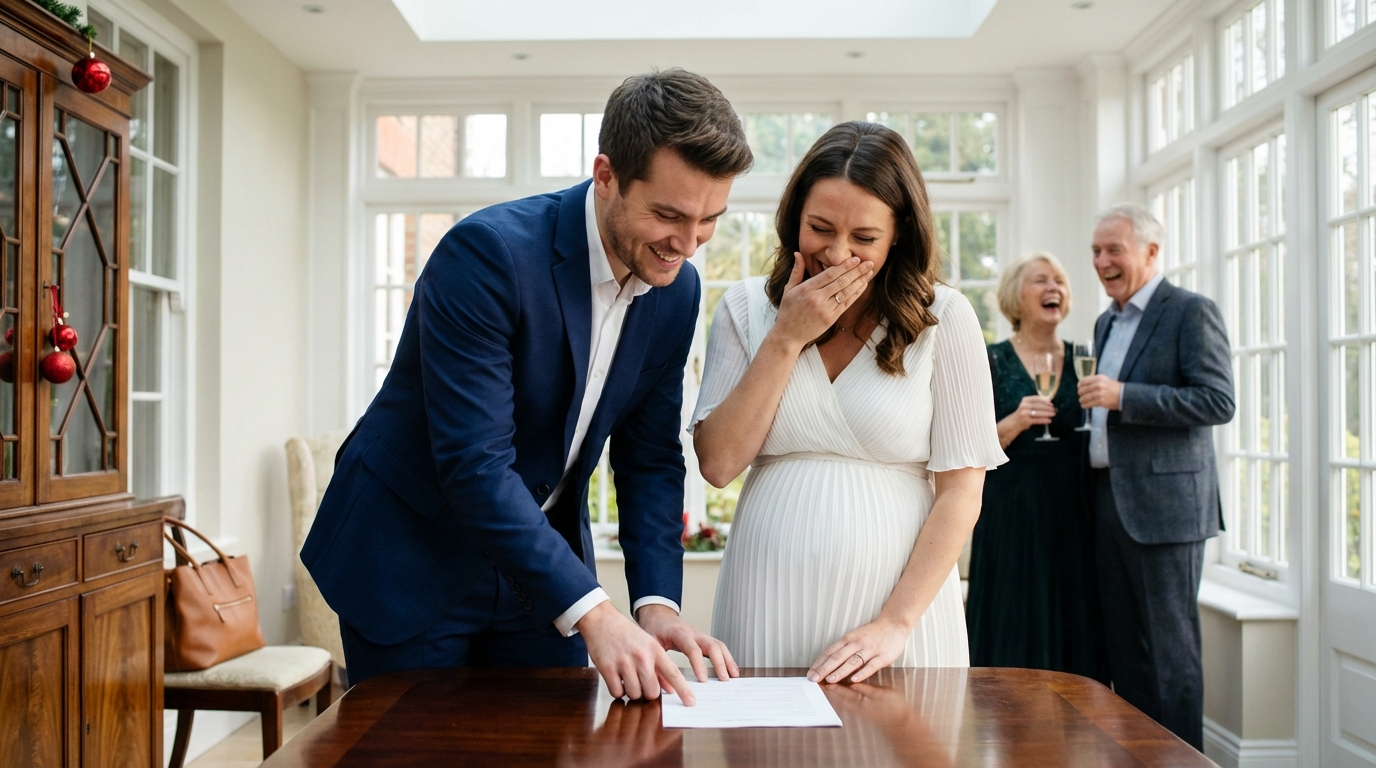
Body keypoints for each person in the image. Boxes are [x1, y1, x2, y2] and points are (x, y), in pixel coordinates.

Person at [301, 69, 754, 704]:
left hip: (538, 570)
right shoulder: (487, 255)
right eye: (668, 215)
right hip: (413, 551)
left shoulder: (675, 292)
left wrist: (656, 605)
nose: (687, 244)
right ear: (606, 176)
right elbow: (474, 463)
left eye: (709, 221)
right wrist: (597, 614)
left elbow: (649, 458)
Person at [691, 121, 1006, 684]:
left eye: (864, 238)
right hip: (767, 605)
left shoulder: (947, 319)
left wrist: (895, 623)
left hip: (902, 617)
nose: (837, 254)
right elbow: (717, 464)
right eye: (819, 228)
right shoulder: (743, 310)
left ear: (898, 236)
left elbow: (962, 491)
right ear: (794, 219)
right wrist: (786, 336)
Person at [1077, 203, 1234, 749]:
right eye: (1096, 251)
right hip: (1107, 502)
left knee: (1170, 659)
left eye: (1113, 250)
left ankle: (1181, 762)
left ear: (1150, 251)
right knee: (1126, 654)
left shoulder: (1191, 312)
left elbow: (1217, 400)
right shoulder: (1105, 321)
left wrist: (1124, 398)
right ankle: (1137, 758)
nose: (1101, 261)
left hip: (1166, 510)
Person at [964, 252, 1108, 682]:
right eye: (1041, 281)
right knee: (1012, 613)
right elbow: (968, 445)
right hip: (1010, 511)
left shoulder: (1085, 358)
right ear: (1015, 298)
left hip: (1072, 511)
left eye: (1060, 281)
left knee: (1072, 615)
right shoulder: (988, 360)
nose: (1054, 289)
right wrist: (1014, 422)